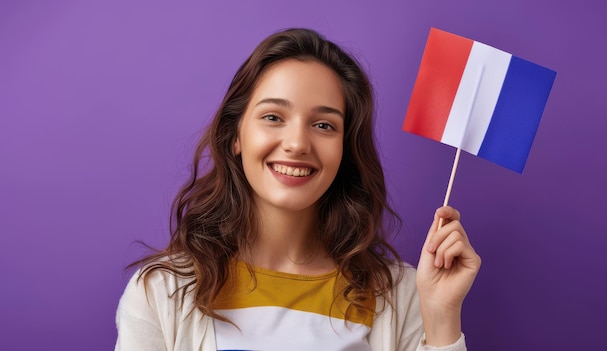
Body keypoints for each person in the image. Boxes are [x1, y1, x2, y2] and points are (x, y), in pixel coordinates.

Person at [115, 28, 481, 351]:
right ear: (234, 136)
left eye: (324, 125)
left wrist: (441, 315)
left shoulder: (400, 294)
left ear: (345, 151)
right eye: (273, 117)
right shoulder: (160, 293)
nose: (297, 143)